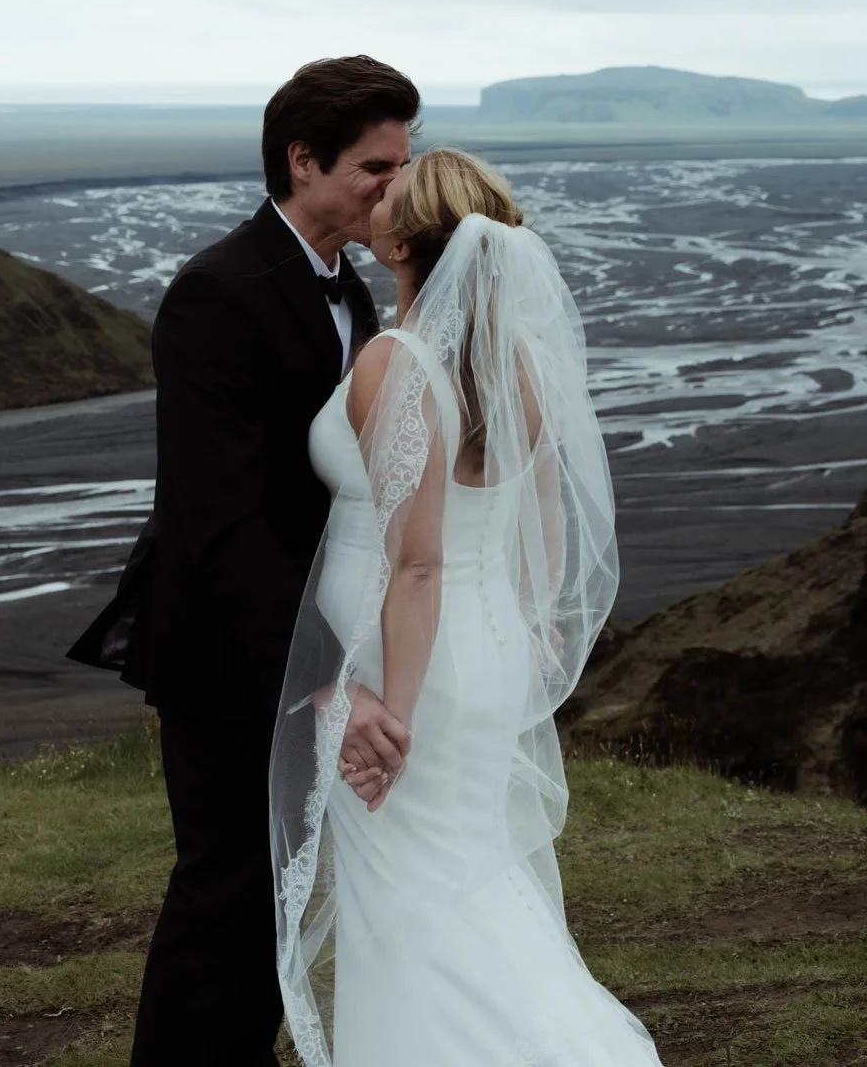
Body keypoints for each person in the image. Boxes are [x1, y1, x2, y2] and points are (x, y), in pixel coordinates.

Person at [270, 149, 666, 1066]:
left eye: (395, 191)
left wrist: (392, 716)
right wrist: (532, 624)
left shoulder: (396, 362)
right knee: (467, 874)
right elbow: (546, 518)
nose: (380, 190)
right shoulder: (516, 365)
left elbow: (416, 566)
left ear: (405, 243)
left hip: (412, 668)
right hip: (482, 654)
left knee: (409, 898)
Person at [67, 55, 420, 1066]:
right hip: (230, 655)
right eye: (373, 168)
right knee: (225, 894)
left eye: (403, 163)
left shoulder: (350, 293)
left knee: (281, 889)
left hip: (315, 636)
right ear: (301, 161)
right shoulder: (215, 295)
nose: (394, 188)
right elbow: (213, 522)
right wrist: (321, 681)